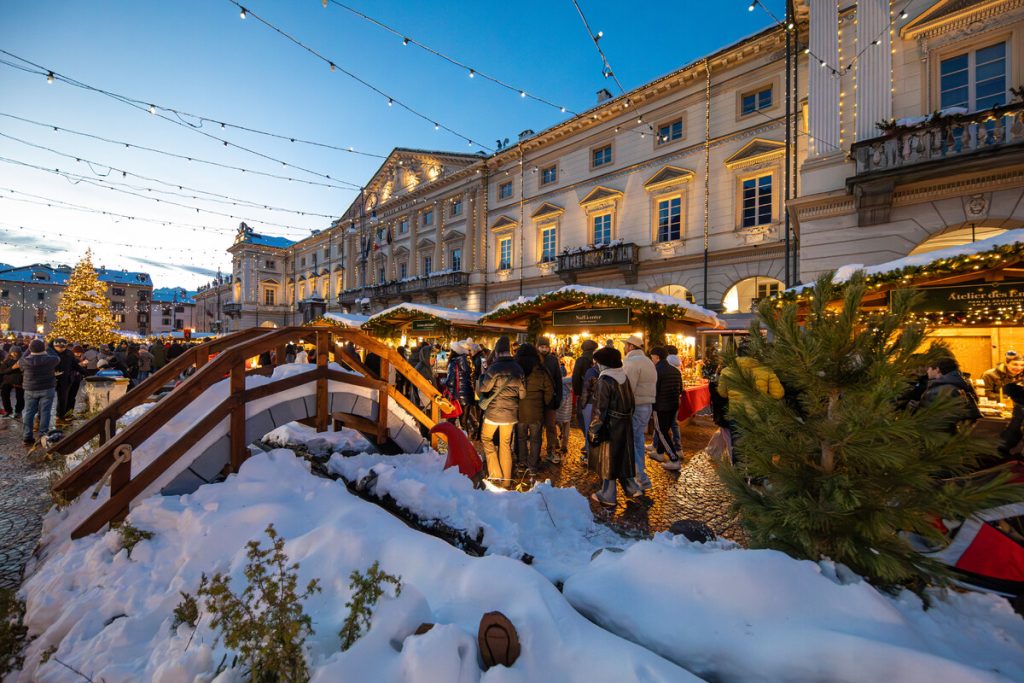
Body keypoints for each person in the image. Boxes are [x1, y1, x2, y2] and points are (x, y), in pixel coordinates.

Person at [588, 346, 642, 506]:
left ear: (603, 363)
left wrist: (593, 430)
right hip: (624, 423)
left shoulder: (604, 380)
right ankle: (631, 488)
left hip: (610, 426)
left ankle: (608, 494)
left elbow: (599, 410)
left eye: (598, 362)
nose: (596, 365)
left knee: (608, 460)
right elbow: (632, 403)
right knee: (623, 457)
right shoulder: (623, 377)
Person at [476, 336, 526, 485]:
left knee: (486, 438)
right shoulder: (518, 368)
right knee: (505, 445)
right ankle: (506, 482)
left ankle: (495, 474)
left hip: (493, 413)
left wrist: (484, 374)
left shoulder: (494, 368)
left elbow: (484, 388)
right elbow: (523, 394)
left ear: (497, 351)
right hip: (510, 415)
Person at [622, 334, 657, 490]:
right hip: (647, 405)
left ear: (631, 347)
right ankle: (639, 475)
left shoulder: (631, 362)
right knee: (638, 440)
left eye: (625, 345)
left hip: (635, 406)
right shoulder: (648, 361)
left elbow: (627, 388)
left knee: (632, 441)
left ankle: (641, 478)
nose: (623, 348)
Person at [514, 343, 554, 474]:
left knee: (521, 438)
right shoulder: (541, 370)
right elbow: (549, 390)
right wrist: (545, 403)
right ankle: (532, 466)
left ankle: (522, 463)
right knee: (535, 439)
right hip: (537, 411)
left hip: (520, 411)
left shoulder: (516, 369)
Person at [918, 356, 981, 432]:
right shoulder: (958, 384)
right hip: (954, 435)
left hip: (938, 437)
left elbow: (932, 419)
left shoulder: (942, 389)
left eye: (929, 368)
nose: (927, 371)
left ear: (937, 369)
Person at [20, 339, 60, 445]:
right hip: (47, 388)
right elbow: (57, 357)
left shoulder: (25, 361)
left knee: (29, 412)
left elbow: (22, 358)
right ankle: (43, 434)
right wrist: (48, 348)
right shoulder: (51, 360)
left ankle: (27, 436)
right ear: (44, 348)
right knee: (45, 411)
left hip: (30, 389)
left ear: (30, 349)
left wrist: (29, 349)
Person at [649, 346, 683, 470]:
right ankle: (659, 453)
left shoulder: (657, 370)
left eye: (651, 356)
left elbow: (654, 390)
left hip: (661, 406)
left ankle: (674, 459)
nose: (651, 358)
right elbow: (681, 390)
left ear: (656, 357)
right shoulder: (674, 370)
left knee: (661, 431)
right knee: (665, 429)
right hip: (673, 405)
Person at [536, 337, 564, 464]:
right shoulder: (534, 359)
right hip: (536, 400)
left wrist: (558, 398)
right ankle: (535, 454)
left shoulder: (553, 360)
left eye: (546, 347)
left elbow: (558, 380)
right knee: (537, 428)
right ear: (537, 346)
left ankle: (551, 451)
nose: (544, 349)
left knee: (551, 427)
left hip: (551, 400)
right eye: (542, 347)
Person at [446, 339, 478, 437]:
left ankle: (452, 441)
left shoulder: (454, 362)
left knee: (451, 421)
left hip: (456, 397)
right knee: (464, 423)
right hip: (467, 396)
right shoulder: (468, 361)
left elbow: (451, 382)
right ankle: (465, 443)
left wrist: (445, 383)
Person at [572, 339, 599, 457]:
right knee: (592, 421)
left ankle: (588, 445)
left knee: (583, 419)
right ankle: (588, 443)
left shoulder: (581, 360)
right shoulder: (595, 361)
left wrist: (577, 392)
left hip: (584, 395)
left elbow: (576, 378)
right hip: (595, 396)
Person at [555, 362, 573, 461]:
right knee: (566, 426)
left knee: (555, 423)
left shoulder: (557, 382)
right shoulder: (570, 382)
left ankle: (556, 440)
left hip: (559, 408)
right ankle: (564, 444)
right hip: (567, 410)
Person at [0, 348, 24, 419]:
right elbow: (2, 371)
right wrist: (12, 368)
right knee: (4, 395)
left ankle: (18, 411)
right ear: (10, 353)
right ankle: (8, 410)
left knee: (20, 397)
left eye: (16, 352)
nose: (15, 354)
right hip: (7, 381)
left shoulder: (22, 360)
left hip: (19, 381)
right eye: (13, 352)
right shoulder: (6, 361)